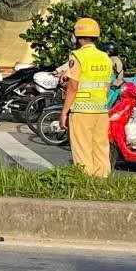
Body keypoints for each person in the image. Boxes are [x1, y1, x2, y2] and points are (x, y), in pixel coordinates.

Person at [59, 17, 114, 179]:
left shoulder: (77, 56)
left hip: (82, 110)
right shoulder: (105, 57)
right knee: (101, 148)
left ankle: (85, 183)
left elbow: (73, 87)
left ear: (77, 36)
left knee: (82, 148)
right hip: (101, 110)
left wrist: (64, 112)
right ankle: (102, 181)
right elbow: (107, 85)